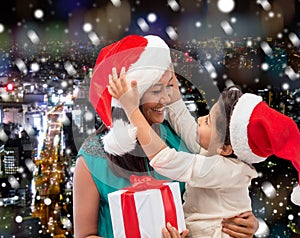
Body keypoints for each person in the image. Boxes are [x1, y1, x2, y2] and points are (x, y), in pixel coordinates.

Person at [73, 34, 259, 238]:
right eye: (156, 90)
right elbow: (84, 235)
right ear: (129, 99)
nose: (166, 97)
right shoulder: (92, 157)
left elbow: (216, 190)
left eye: (169, 85)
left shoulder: (176, 137)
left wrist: (242, 220)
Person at [108, 65, 300, 237]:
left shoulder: (226, 170)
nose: (200, 120)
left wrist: (131, 109)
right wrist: (168, 72)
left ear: (225, 148)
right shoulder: (217, 153)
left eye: (207, 121)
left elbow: (164, 159)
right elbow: (184, 121)